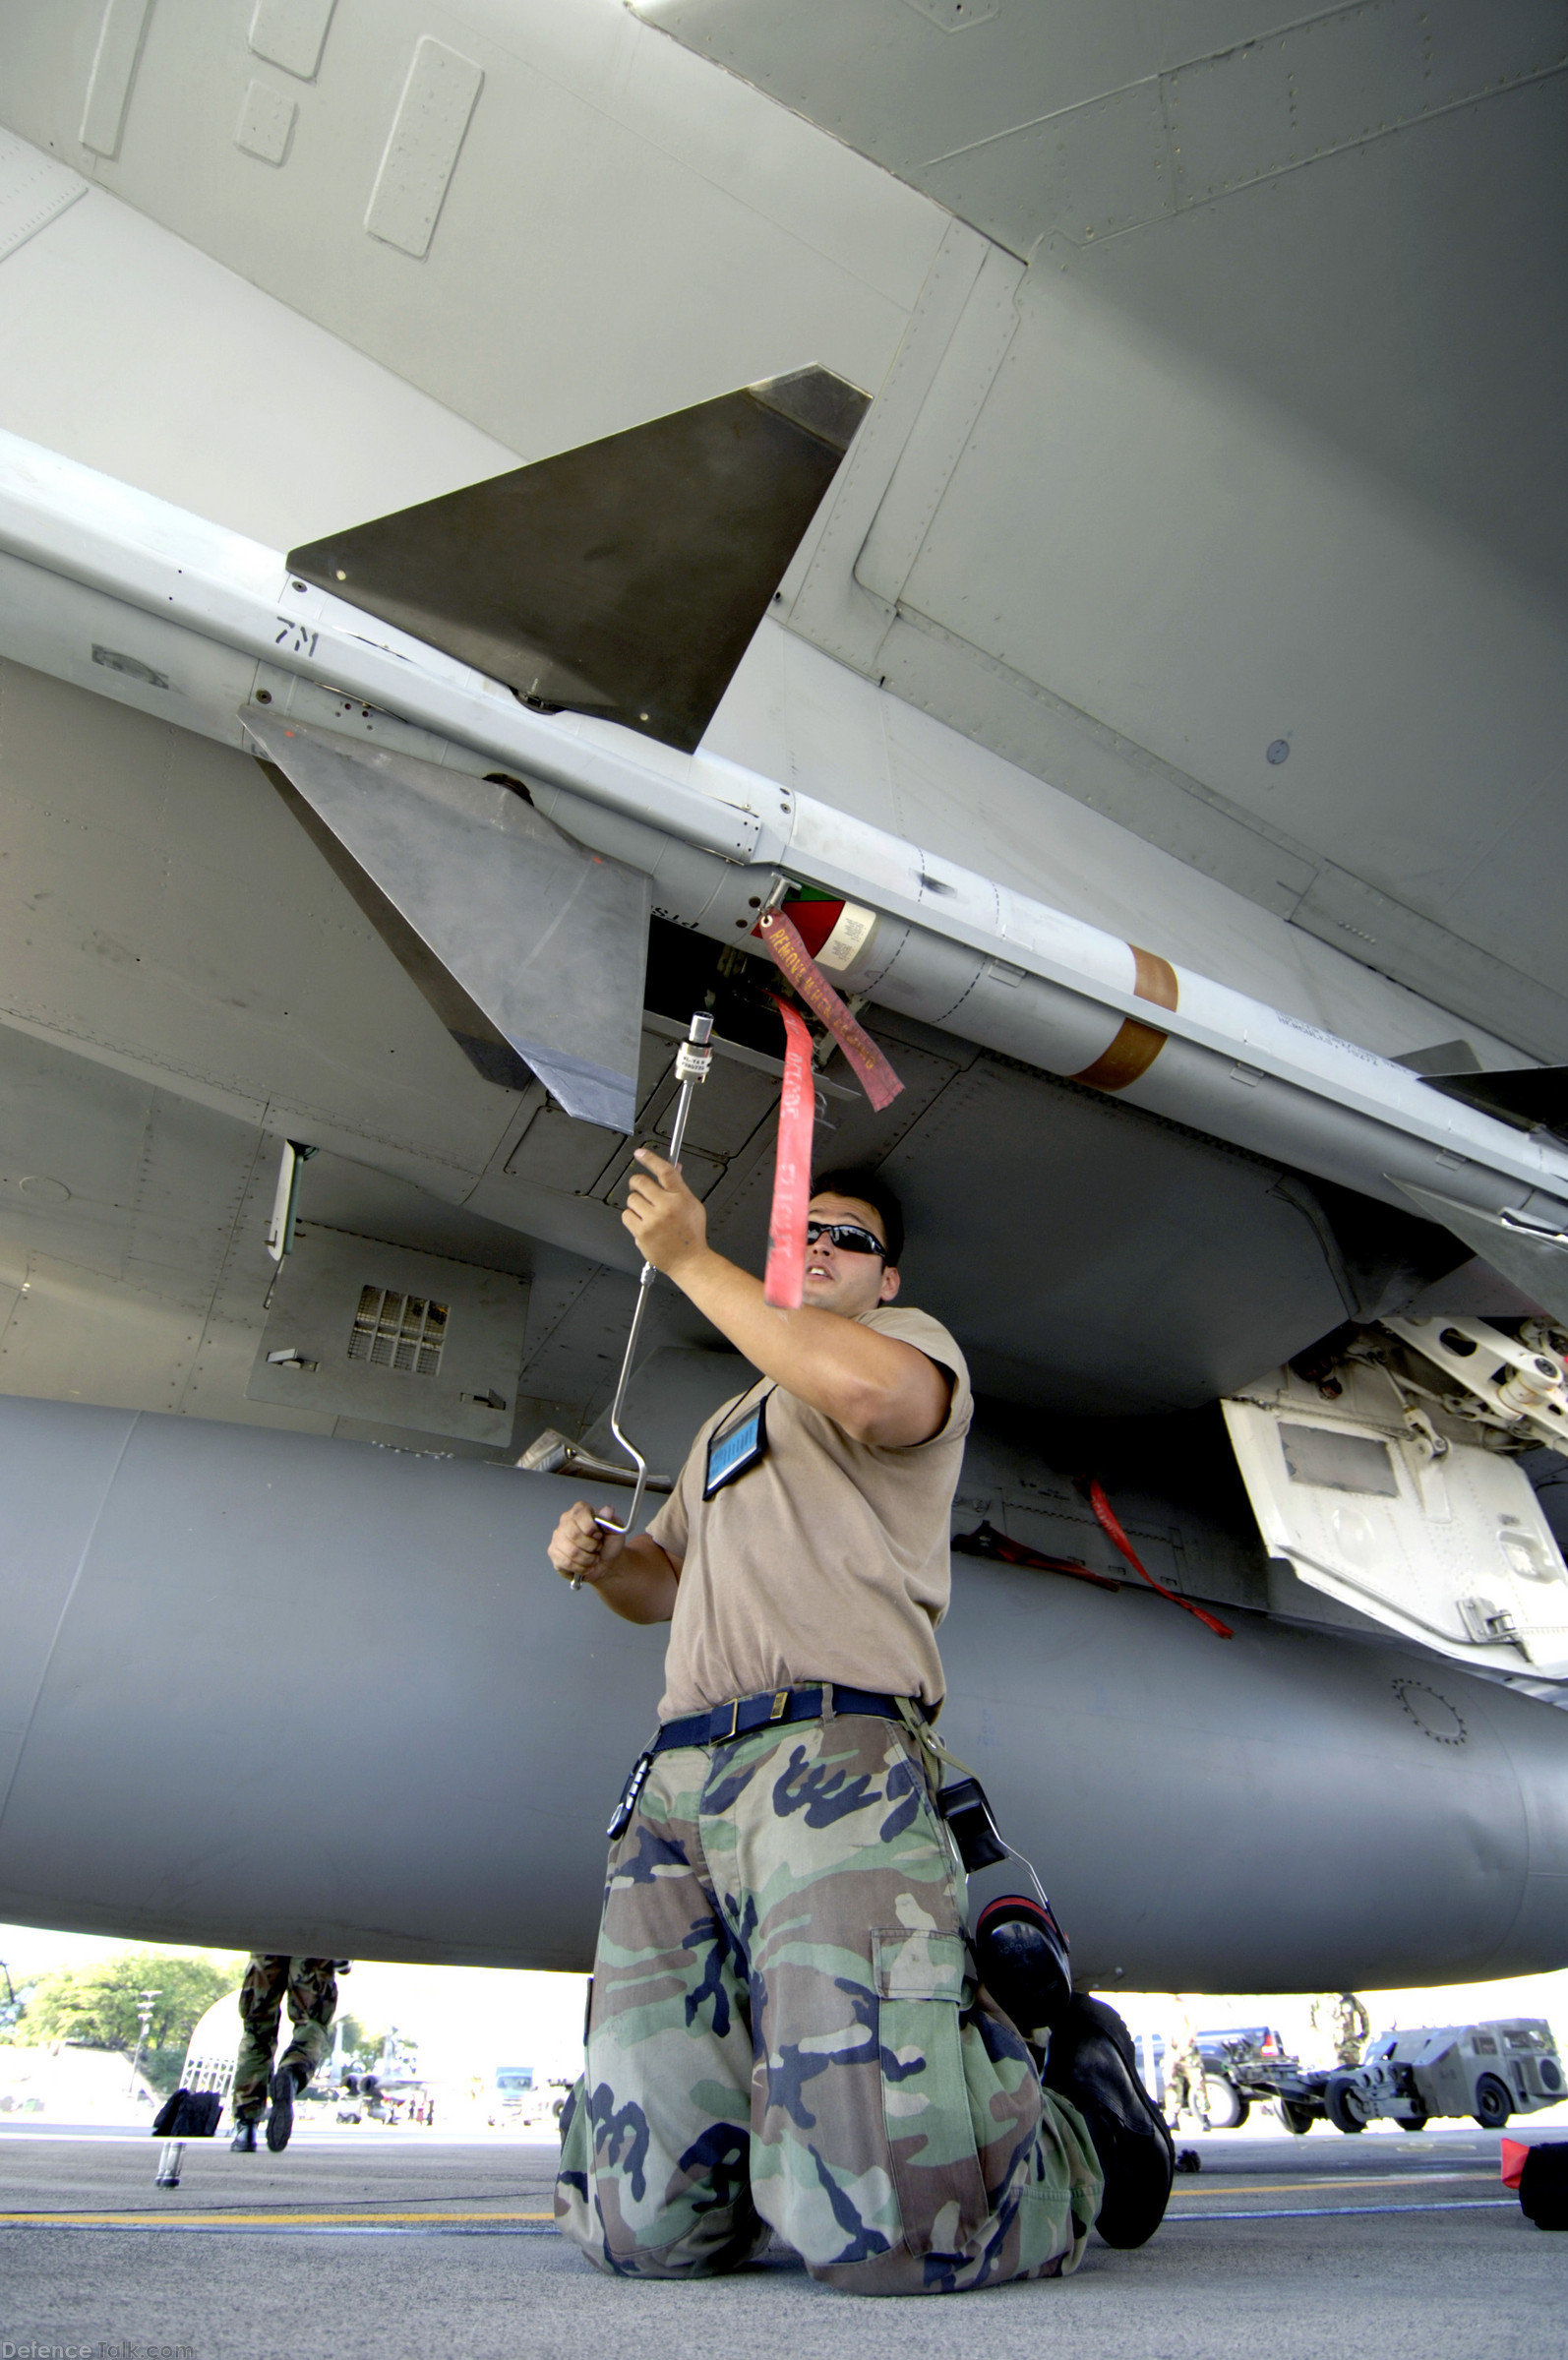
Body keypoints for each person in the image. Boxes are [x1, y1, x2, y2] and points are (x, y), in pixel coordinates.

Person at [548, 1152, 1172, 2293]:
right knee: (640, 2234)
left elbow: (872, 1396)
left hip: (829, 1761)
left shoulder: (911, 1353)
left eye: (851, 1237)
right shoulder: (727, 1424)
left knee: (894, 2238)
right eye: (809, 1229)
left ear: (888, 1280)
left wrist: (688, 1256)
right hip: (682, 1782)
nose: (823, 1243)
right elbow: (662, 1583)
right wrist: (599, 1560)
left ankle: (1080, 2118)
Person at [229, 1955, 341, 2153]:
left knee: (257, 2031)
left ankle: (246, 2127)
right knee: (312, 2023)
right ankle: (291, 2074)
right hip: (313, 1942)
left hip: (269, 1941)